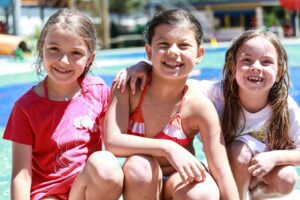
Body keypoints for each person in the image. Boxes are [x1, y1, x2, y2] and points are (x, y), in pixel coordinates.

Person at [116, 29, 300, 200]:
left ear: (279, 72)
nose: (256, 67)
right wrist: (144, 67)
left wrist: (274, 157)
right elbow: (173, 80)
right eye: (247, 60)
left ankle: (253, 195)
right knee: (240, 151)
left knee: (287, 178)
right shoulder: (215, 94)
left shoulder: (286, 108)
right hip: (228, 168)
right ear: (233, 65)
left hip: (262, 172)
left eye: (266, 62)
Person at [105, 9, 239, 200]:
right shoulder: (129, 87)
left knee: (203, 193)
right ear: (149, 51)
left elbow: (221, 171)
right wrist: (168, 148)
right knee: (139, 167)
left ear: (199, 54)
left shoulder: (199, 107)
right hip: (140, 182)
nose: (173, 52)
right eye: (164, 44)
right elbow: (112, 142)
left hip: (178, 181)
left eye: (184, 45)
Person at [3, 9, 123, 200]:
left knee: (106, 164)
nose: (63, 60)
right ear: (41, 48)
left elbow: (114, 144)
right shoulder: (25, 108)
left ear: (89, 59)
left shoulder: (97, 90)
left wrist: (141, 67)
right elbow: (21, 176)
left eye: (75, 53)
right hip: (47, 194)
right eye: (54, 49)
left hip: (84, 191)